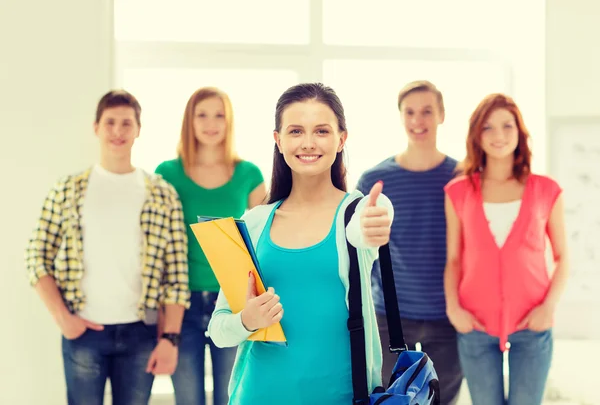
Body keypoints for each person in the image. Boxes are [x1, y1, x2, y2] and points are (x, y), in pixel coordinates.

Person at [207, 83, 394, 404]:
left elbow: (370, 226)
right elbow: (219, 329)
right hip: (258, 394)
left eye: (321, 131)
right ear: (278, 140)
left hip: (341, 396)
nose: (308, 143)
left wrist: (376, 225)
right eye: (295, 131)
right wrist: (247, 321)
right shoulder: (253, 222)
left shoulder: (359, 212)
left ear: (341, 139)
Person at [25, 90, 190, 405]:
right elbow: (35, 256)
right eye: (110, 122)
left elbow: (177, 274)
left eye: (126, 123)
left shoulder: (162, 193)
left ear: (138, 129)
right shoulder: (69, 189)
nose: (118, 131)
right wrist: (63, 318)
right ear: (96, 127)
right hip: (84, 332)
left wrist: (170, 338)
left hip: (140, 333)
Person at [444, 93, 569, 405]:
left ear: (520, 132)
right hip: (475, 323)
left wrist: (548, 308)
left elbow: (562, 256)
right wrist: (454, 309)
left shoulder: (546, 190)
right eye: (488, 127)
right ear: (476, 135)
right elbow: (454, 259)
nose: (498, 135)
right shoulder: (458, 192)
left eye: (507, 126)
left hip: (532, 322)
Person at [155, 87, 266, 405]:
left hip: (231, 301)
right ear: (189, 121)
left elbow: (264, 237)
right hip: (181, 305)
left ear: (229, 121)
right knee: (188, 399)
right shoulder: (167, 173)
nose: (210, 123)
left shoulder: (248, 173)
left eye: (219, 114)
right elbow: (158, 243)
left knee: (231, 397)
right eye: (201, 114)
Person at [356, 80, 462, 404]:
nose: (418, 120)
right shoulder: (374, 180)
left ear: (442, 115)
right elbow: (360, 251)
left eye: (427, 111)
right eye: (410, 112)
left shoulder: (461, 177)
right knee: (389, 399)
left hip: (448, 318)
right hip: (390, 319)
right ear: (400, 117)